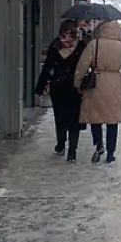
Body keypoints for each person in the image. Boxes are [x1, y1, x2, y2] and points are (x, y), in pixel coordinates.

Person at [75, 20, 121, 163]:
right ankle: (111, 153)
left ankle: (99, 145)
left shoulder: (94, 44)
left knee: (95, 117)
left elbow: (83, 64)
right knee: (112, 119)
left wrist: (78, 82)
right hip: (115, 83)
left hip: (96, 83)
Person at [35, 20, 87, 163]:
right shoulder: (81, 47)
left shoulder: (57, 45)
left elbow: (47, 68)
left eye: (68, 34)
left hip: (64, 88)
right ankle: (67, 148)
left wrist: (39, 88)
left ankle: (65, 147)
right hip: (70, 88)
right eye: (65, 34)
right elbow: (47, 68)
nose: (66, 38)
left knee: (65, 118)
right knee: (68, 119)